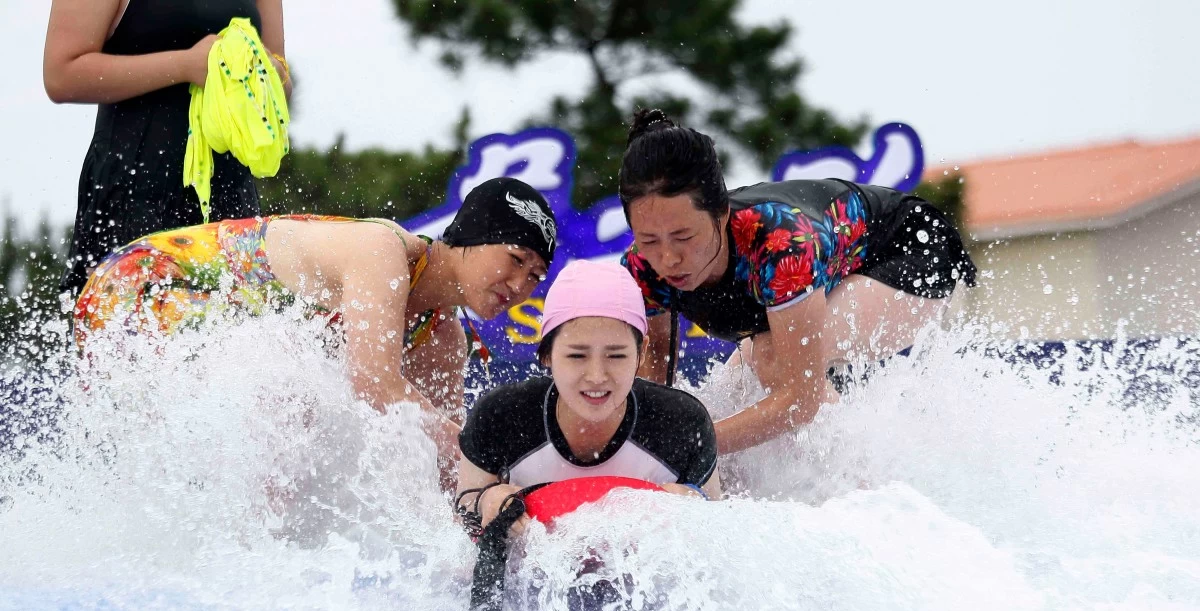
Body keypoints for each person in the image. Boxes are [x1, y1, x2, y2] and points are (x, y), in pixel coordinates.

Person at [73, 177, 558, 470]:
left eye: (535, 275)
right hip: (138, 287)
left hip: (197, 334)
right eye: (515, 258)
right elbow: (377, 387)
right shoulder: (382, 251)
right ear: (472, 236)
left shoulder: (444, 338)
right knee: (290, 387)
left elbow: (442, 457)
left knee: (311, 414)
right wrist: (483, 457)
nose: (521, 283)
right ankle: (260, 558)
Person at [618, 109, 978, 453]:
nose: (668, 259)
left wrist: (693, 444)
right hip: (830, 267)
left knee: (773, 365)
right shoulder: (641, 268)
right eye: (649, 240)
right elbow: (656, 377)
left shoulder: (779, 244)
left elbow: (802, 400)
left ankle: (865, 490)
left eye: (684, 237)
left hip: (909, 252)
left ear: (722, 212)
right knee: (730, 395)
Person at [456, 259, 721, 539]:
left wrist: (693, 505)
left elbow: (720, 535)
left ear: (641, 352)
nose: (596, 376)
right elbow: (461, 527)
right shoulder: (500, 417)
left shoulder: (682, 423)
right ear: (546, 353)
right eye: (577, 356)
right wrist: (487, 501)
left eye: (616, 356)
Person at [44, 0, 292, 297]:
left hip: (231, 201)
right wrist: (186, 65)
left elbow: (282, 82)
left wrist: (261, 67)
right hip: (134, 194)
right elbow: (61, 74)